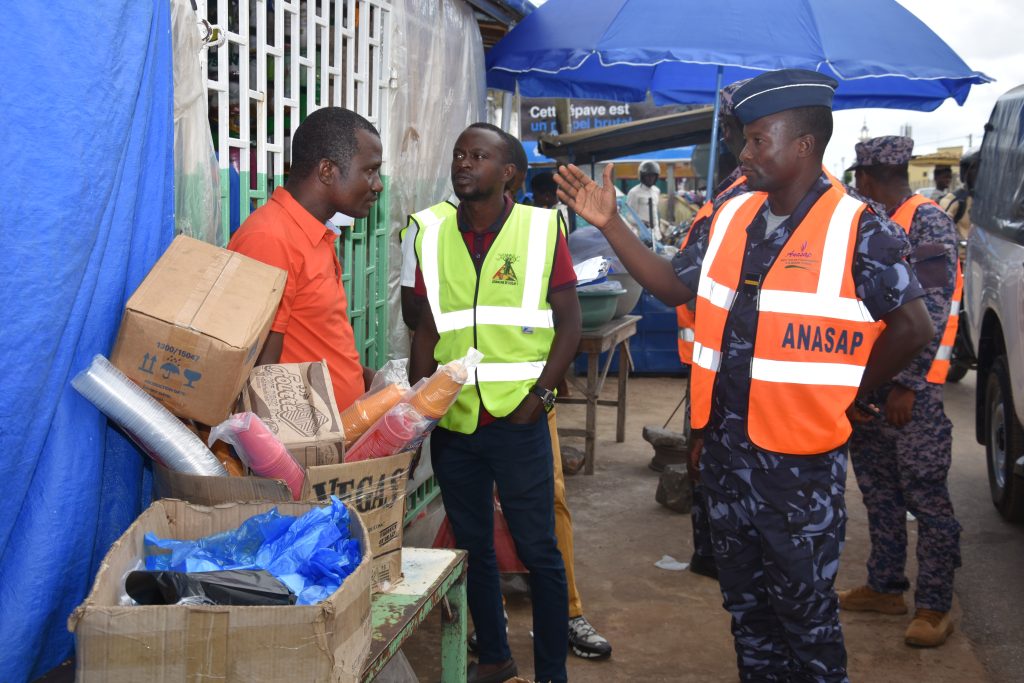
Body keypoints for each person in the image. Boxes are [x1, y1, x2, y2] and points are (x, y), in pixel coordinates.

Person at [554, 69, 935, 682]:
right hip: (726, 456)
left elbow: (913, 327)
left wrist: (850, 389)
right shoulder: (730, 216)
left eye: (759, 140)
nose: (745, 153)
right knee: (748, 613)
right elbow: (672, 285)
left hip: (798, 469)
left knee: (806, 620)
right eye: (745, 139)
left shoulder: (859, 227)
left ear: (804, 145)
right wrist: (611, 224)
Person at [402, 138, 612, 661]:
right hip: (455, 425)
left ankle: (551, 672)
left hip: (518, 420)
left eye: (479, 156)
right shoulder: (431, 231)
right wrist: (416, 417)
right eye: (459, 154)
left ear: (510, 173)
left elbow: (570, 324)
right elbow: (426, 331)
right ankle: (496, 661)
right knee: (473, 548)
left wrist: (538, 397)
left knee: (538, 549)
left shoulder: (540, 229)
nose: (464, 163)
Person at [839, 136, 962, 648]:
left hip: (911, 391)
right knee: (880, 493)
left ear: (867, 178)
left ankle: (934, 605)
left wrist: (907, 385)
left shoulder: (927, 222)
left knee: (926, 498)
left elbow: (932, 311)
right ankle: (886, 586)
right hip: (871, 383)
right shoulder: (874, 220)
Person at [227, 106, 381, 410]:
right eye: (369, 171)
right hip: (301, 435)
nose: (378, 184)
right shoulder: (270, 239)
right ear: (327, 171)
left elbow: (312, 337)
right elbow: (259, 373)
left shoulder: (313, 233)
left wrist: (361, 377)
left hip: (337, 427)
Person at [676, 77, 751, 582]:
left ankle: (719, 556)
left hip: (735, 377)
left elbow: (678, 284)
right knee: (706, 468)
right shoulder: (723, 200)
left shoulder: (736, 202)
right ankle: (711, 554)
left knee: (717, 470)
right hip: (711, 368)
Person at [626, 160, 662, 237]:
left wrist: (659, 231)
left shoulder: (656, 191)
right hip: (641, 234)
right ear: (642, 176)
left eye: (653, 176)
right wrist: (641, 223)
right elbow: (628, 216)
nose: (650, 178)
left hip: (656, 234)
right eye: (648, 176)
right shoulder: (634, 192)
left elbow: (655, 214)